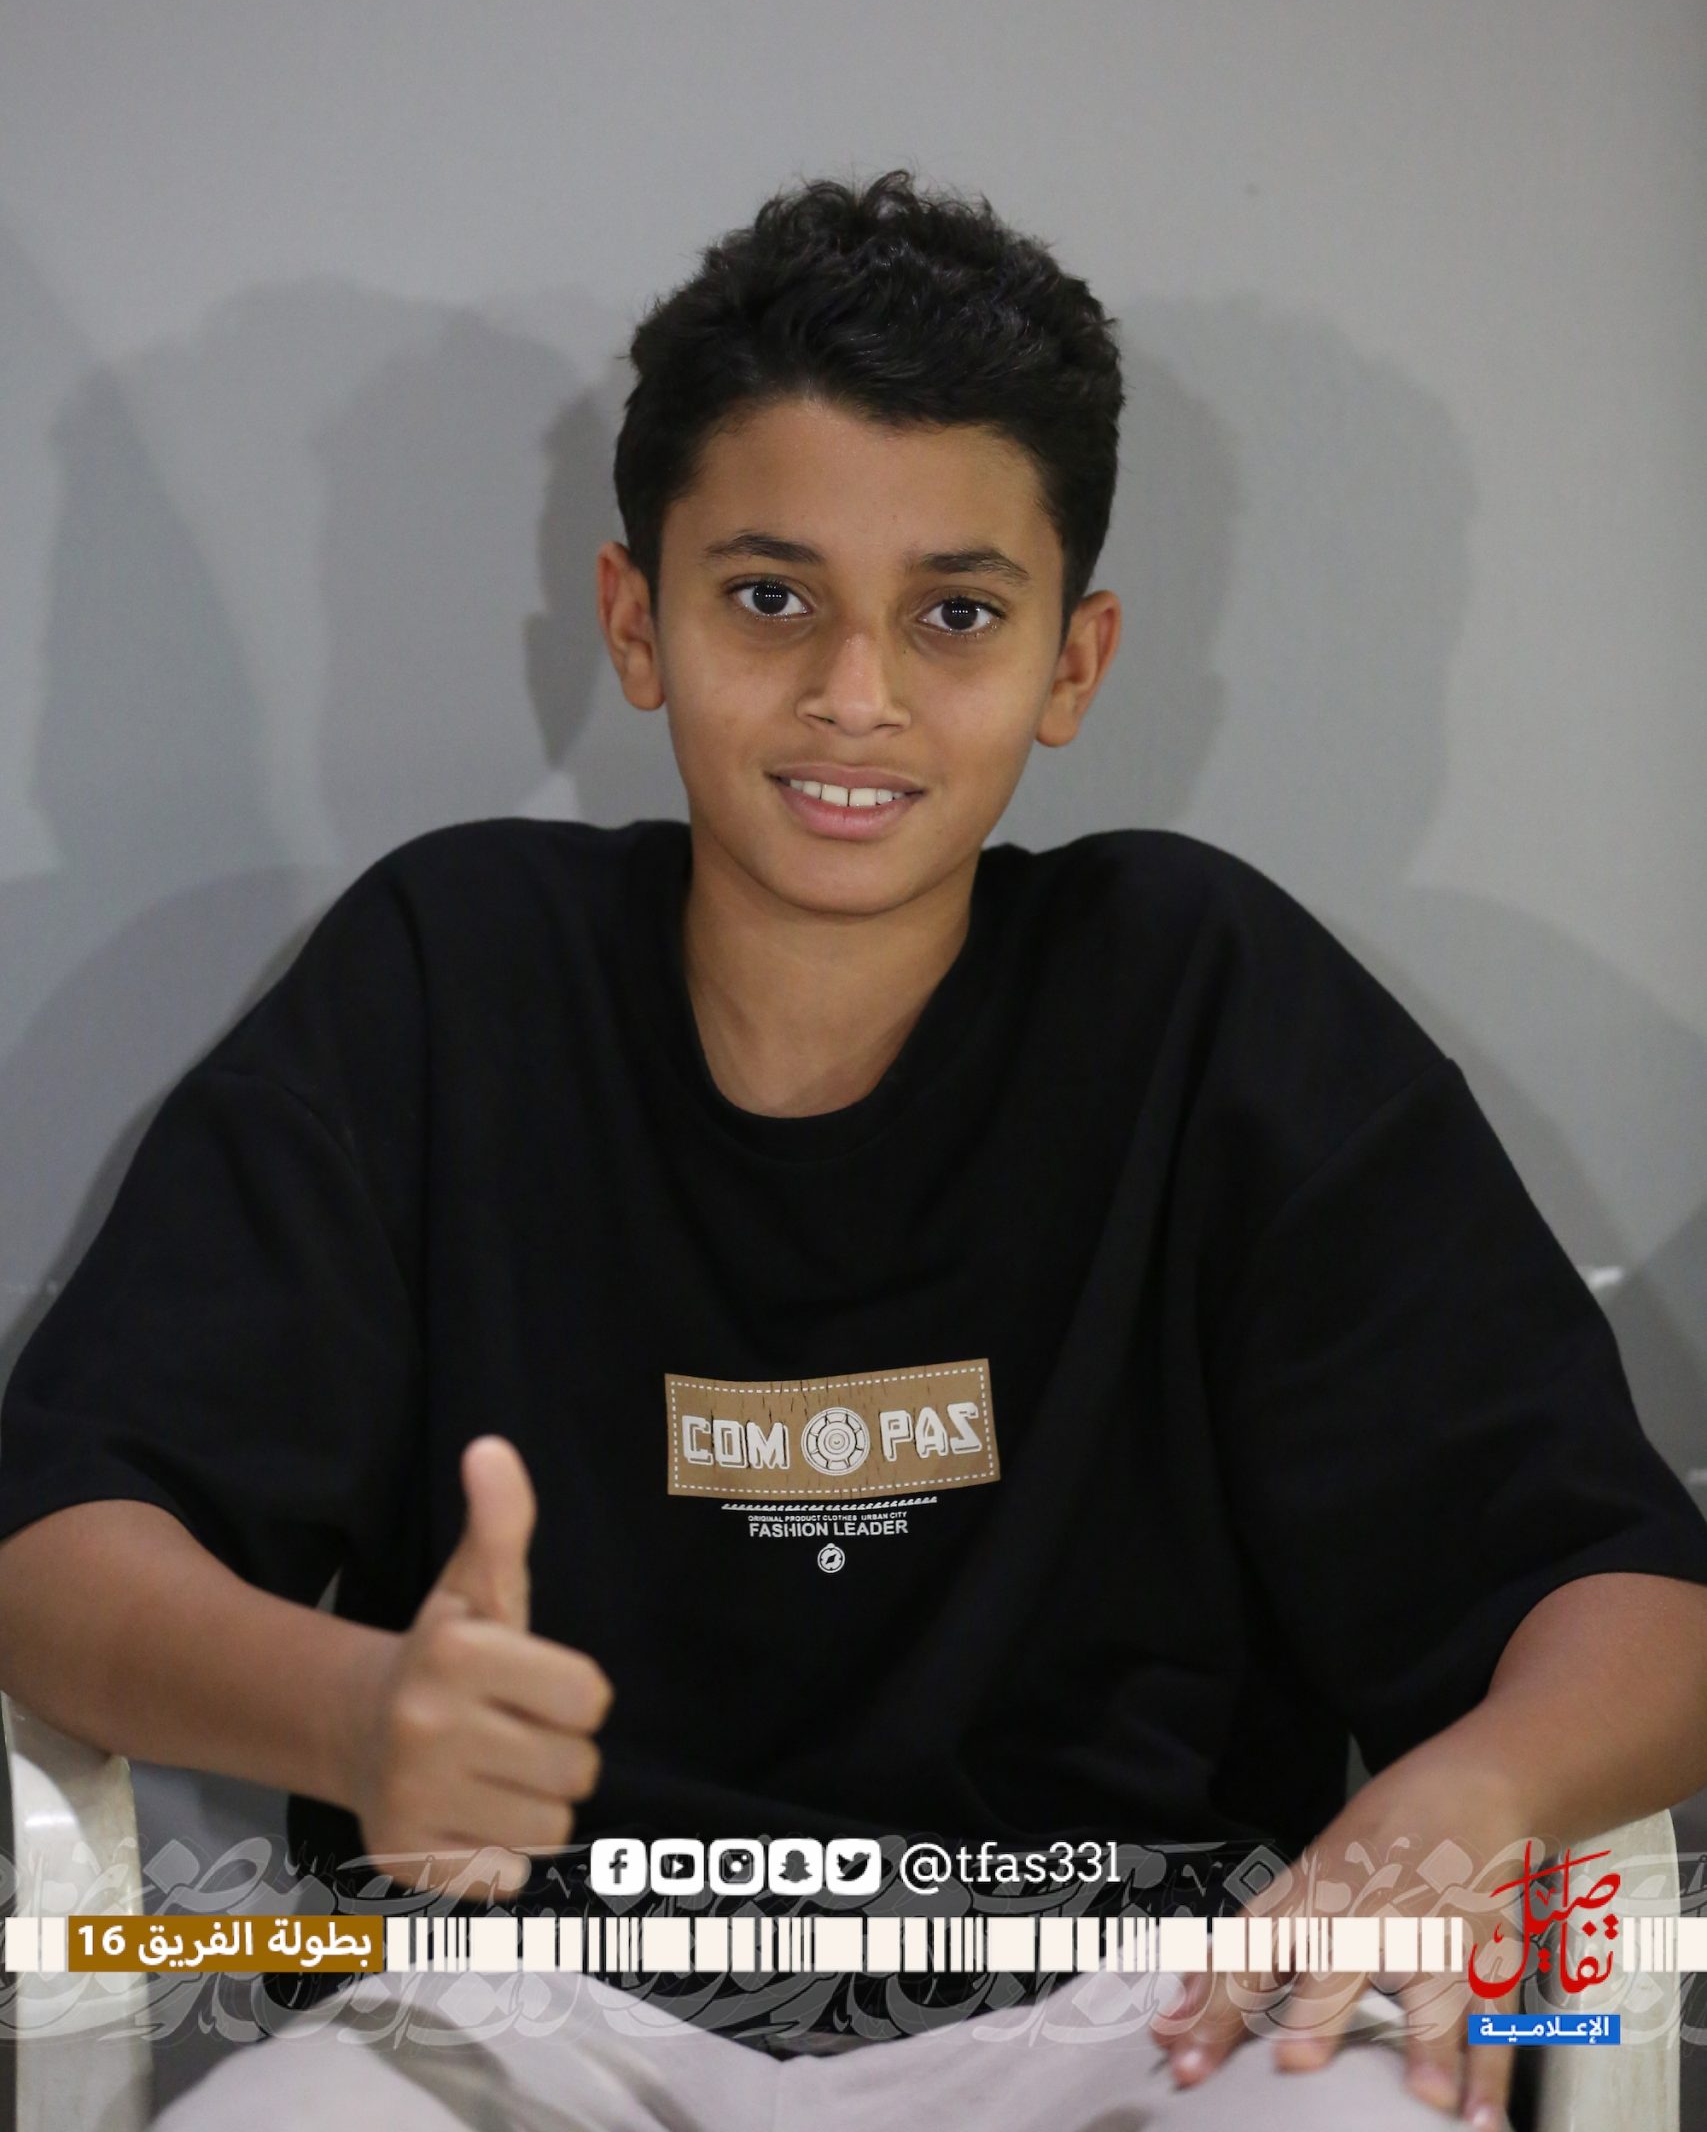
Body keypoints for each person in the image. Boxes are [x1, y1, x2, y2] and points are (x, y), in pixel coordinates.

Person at [0, 169, 1704, 2132]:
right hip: (517, 2004)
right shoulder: (448, 977)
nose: (854, 693)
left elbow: (1635, 1600)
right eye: (769, 596)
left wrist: (1471, 1792)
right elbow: (57, 1545)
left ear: (1073, 661)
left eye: (954, 614)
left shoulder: (1207, 1002)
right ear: (634, 617)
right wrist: (360, 1711)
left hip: (1150, 2005)